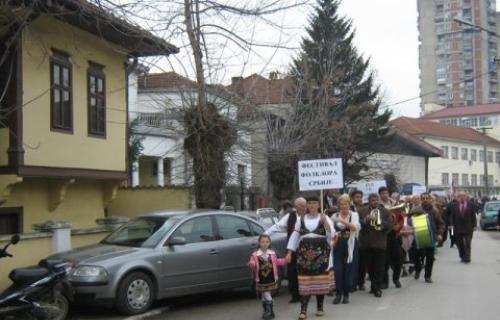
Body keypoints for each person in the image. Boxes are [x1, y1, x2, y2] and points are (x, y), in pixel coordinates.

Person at [286, 195, 333, 320]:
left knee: (319, 280)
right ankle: (303, 310)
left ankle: (320, 306)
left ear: (319, 205)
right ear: (307, 205)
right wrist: (289, 252)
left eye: (314, 203)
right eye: (310, 203)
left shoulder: (324, 217)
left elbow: (332, 236)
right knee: (304, 281)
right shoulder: (301, 219)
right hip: (304, 255)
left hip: (321, 255)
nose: (312, 205)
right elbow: (294, 236)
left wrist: (326, 225)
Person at [265, 197, 307, 303]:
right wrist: (265, 235)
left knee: (305, 272)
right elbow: (277, 227)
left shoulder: (309, 216)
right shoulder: (290, 216)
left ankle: (305, 294)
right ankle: (294, 295)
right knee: (292, 272)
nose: (303, 208)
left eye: (304, 205)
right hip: (292, 249)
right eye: (301, 206)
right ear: (296, 207)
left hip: (306, 249)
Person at [358, 193, 393, 298]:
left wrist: (381, 223)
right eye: (373, 200)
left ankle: (377, 288)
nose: (375, 202)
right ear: (369, 201)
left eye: (376, 200)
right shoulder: (361, 211)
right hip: (366, 243)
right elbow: (357, 224)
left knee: (380, 267)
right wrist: (365, 220)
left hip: (380, 243)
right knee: (370, 268)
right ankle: (374, 285)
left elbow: (390, 225)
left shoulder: (385, 211)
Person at [248, 234, 288, 320]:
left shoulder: (272, 253)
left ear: (269, 243)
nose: (265, 244)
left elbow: (277, 262)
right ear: (259, 243)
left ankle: (269, 311)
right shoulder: (255, 255)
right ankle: (268, 311)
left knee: (267, 294)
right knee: (263, 295)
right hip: (261, 279)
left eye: (267, 242)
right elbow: (252, 263)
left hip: (270, 278)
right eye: (262, 242)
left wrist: (285, 260)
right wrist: (252, 264)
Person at [331, 194, 360, 305]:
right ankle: (338, 293)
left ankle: (346, 293)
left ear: (349, 204)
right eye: (341, 204)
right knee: (338, 269)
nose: (343, 206)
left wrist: (342, 221)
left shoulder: (354, 215)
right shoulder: (334, 215)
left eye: (345, 204)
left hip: (350, 244)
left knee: (349, 269)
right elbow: (330, 231)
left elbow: (355, 228)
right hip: (338, 245)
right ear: (339, 205)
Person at [409, 193, 444, 283]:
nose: (425, 200)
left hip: (431, 236)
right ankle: (418, 268)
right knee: (416, 256)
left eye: (426, 198)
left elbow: (441, 223)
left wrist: (440, 234)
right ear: (421, 200)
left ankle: (428, 276)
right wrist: (412, 222)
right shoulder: (415, 209)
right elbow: (409, 221)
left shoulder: (435, 210)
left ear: (430, 199)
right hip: (419, 236)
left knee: (430, 257)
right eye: (423, 198)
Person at [382, 197, 405, 289]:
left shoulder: (395, 205)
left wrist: (398, 226)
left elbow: (401, 219)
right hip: (384, 237)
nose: (385, 195)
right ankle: (384, 282)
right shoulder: (380, 207)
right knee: (385, 261)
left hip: (395, 237)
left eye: (386, 193)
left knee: (398, 259)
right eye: (383, 193)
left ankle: (396, 279)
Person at [449, 192, 477, 263]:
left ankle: (467, 257)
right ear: (458, 197)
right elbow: (452, 216)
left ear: (466, 197)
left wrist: (474, 225)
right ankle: (462, 255)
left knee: (468, 243)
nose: (462, 197)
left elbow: (473, 216)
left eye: (463, 196)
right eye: (460, 196)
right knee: (459, 243)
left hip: (468, 227)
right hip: (458, 227)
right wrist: (451, 224)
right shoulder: (454, 205)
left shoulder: (471, 205)